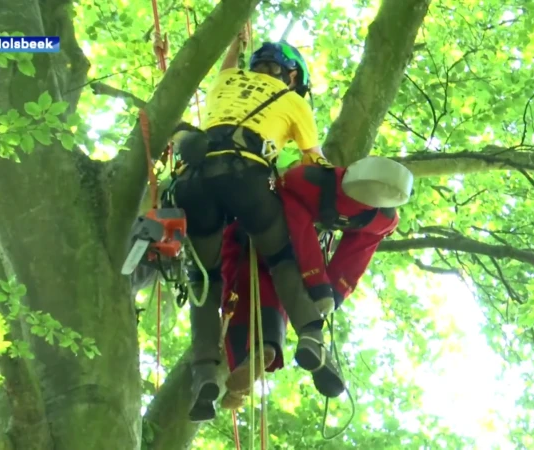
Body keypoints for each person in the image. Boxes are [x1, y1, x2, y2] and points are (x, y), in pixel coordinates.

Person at [170, 30, 345, 423]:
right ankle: (312, 337)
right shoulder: (292, 102)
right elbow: (313, 163)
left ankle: (204, 377)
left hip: (193, 182)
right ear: (293, 76)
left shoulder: (226, 81)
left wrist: (235, 34)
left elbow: (228, 62)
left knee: (204, 282)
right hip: (247, 180)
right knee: (282, 259)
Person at [217, 152, 412, 410]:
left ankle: (246, 363)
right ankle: (303, 342)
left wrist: (324, 288)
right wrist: (328, 290)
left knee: (242, 291)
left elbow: (302, 233)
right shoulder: (382, 219)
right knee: (282, 297)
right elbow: (353, 260)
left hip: (261, 239)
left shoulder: (306, 179)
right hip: (296, 253)